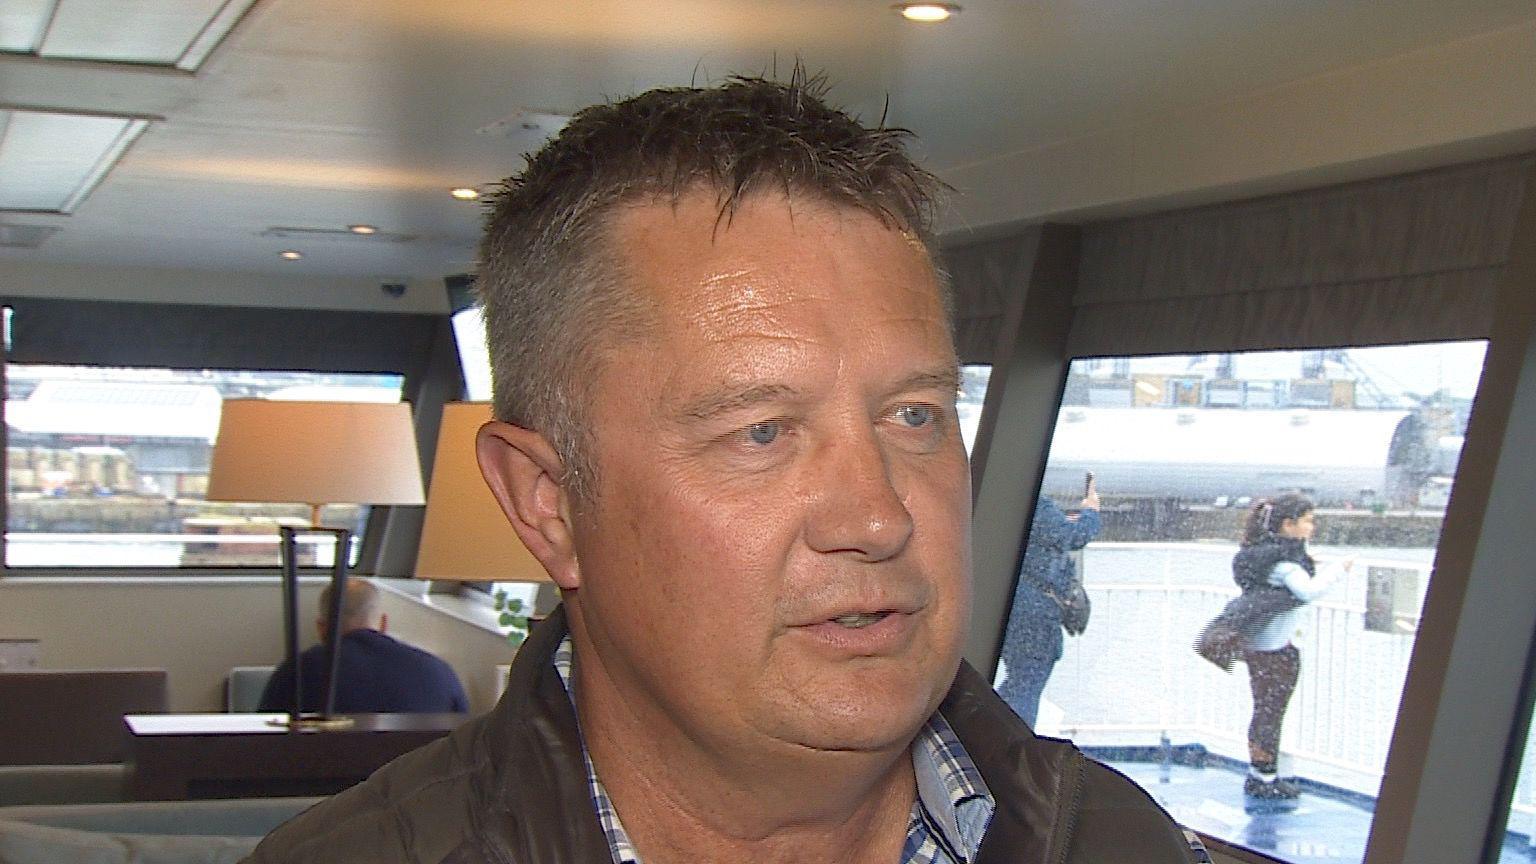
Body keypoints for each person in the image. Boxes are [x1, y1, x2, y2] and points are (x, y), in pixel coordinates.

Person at [247, 72, 1200, 863]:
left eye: (914, 415)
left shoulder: (1131, 846)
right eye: (762, 432)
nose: (877, 517)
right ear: (549, 505)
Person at [1234, 493, 1349, 802]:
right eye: (1308, 520)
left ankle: (1260, 772)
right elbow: (1308, 590)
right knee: (1271, 712)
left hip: (1258, 645)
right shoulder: (1285, 563)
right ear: (1289, 524)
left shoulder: (1262, 555)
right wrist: (1340, 568)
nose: (1312, 527)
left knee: (1263, 709)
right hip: (1279, 648)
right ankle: (1264, 777)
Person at [257, 577, 468, 714]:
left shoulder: (297, 672)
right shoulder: (439, 672)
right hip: (418, 781)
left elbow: (262, 742)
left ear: (322, 628)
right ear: (384, 623)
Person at [997, 481, 1101, 727]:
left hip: (1015, 610)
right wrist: (1091, 512)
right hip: (1035, 615)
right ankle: (1013, 751)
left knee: (1019, 681)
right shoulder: (1033, 504)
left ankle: (988, 736)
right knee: (1027, 686)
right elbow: (1073, 536)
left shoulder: (1007, 505)